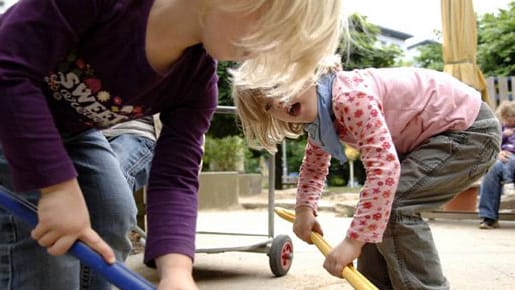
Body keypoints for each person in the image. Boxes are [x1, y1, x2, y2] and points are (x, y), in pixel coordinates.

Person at [0, 0, 345, 289]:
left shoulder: (196, 83)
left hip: (71, 131)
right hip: (10, 112)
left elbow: (176, 176)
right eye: (273, 31)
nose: (268, 53)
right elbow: (9, 66)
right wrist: (58, 187)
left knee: (114, 214)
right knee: (47, 244)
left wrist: (177, 271)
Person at [234, 55, 501, 289]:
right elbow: (314, 167)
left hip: (469, 132)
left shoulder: (348, 97)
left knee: (394, 205)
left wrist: (353, 241)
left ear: (307, 70)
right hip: (441, 135)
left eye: (280, 87)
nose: (279, 103)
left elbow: (384, 168)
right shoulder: (321, 118)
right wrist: (304, 209)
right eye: (268, 106)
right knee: (378, 208)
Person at [478, 100, 515, 229]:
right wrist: (498, 152)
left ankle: (508, 182)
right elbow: (493, 144)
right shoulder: (501, 129)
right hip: (505, 157)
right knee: (493, 168)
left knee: (510, 162)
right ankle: (489, 217)